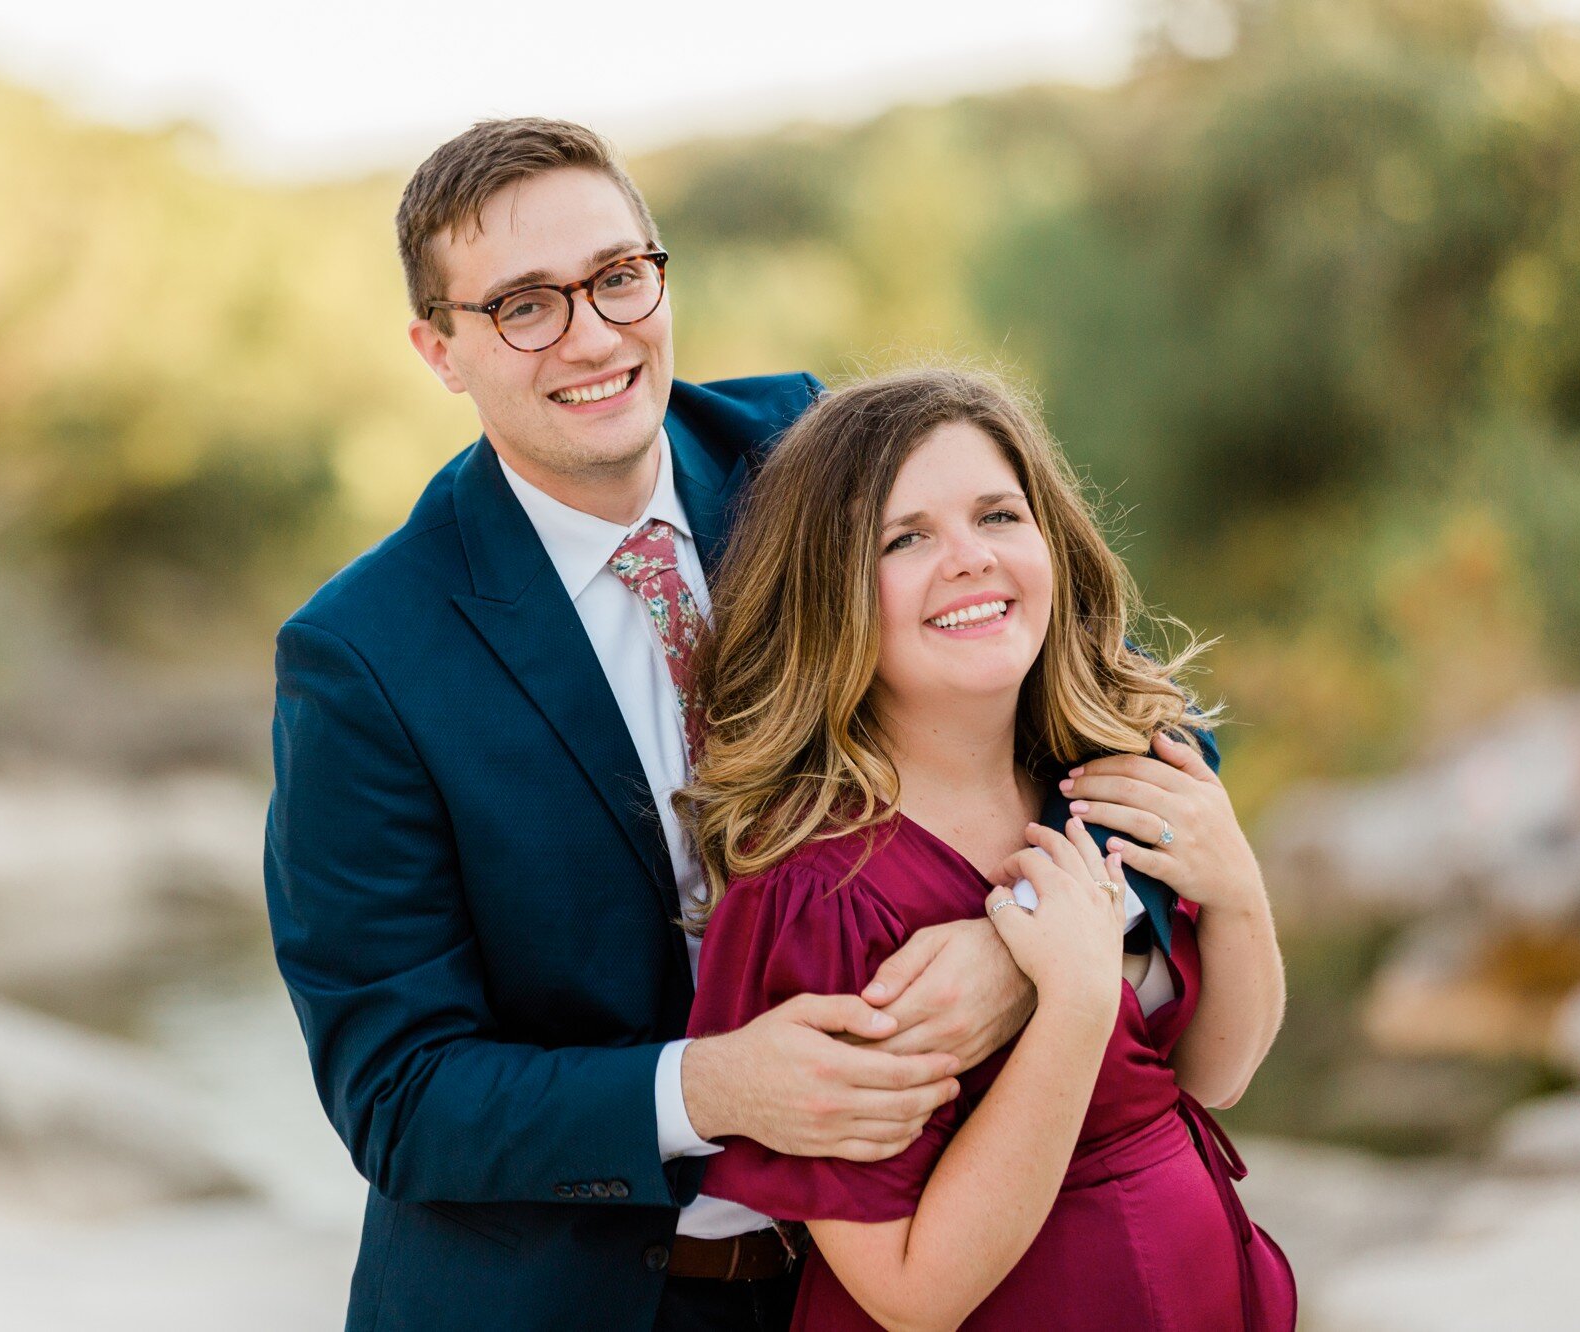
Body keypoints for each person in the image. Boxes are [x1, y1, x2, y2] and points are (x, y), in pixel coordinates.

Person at [265, 120, 1038, 1332]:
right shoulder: (363, 656)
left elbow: (1127, 723)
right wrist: (713, 1087)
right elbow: (399, 1095)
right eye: (523, 305)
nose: (591, 334)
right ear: (440, 350)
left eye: (618, 277)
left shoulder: (812, 459)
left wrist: (1027, 952)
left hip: (887, 1272)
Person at [678, 367, 1297, 1331]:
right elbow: (910, 1290)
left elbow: (1215, 1076)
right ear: (829, 593)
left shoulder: (1109, 777)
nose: (968, 558)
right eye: (906, 538)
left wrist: (1239, 890)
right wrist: (1075, 1000)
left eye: (999, 516)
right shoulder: (814, 887)